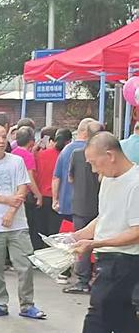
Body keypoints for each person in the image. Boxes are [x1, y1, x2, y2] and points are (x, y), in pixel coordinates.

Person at [42, 132, 139, 333]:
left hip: (124, 260)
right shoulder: (109, 179)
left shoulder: (135, 183)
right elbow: (104, 217)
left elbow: (136, 232)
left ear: (110, 155)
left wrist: (95, 243)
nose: (94, 170)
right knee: (123, 320)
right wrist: (77, 235)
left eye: (95, 163)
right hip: (108, 256)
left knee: (96, 320)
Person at [0, 125, 46, 320]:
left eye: (4, 137)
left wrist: (11, 212)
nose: (1, 141)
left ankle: (27, 304)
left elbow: (22, 188)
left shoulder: (16, 161)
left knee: (25, 265)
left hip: (18, 223)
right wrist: (6, 200)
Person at [63, 123, 103, 295]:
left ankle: (82, 281)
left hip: (80, 204)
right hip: (99, 204)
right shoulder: (105, 156)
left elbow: (70, 177)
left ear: (86, 134)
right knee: (101, 243)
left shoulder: (77, 154)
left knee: (82, 243)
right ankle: (98, 278)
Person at [53, 118, 96, 222]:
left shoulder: (65, 150)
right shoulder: (92, 150)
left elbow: (56, 177)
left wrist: (55, 200)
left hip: (65, 204)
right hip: (87, 205)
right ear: (86, 132)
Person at [11, 127, 44, 250]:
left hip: (13, 193)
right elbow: (29, 178)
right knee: (31, 225)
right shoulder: (28, 156)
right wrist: (38, 195)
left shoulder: (13, 153)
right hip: (26, 195)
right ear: (31, 141)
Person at [34, 127, 65, 240]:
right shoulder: (63, 155)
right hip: (58, 197)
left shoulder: (39, 155)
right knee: (55, 232)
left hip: (41, 196)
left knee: (41, 231)